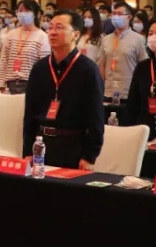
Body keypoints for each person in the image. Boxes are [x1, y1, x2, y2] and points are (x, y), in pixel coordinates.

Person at [22, 9, 105, 170]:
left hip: (73, 146)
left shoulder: (88, 70)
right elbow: (30, 114)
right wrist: (27, 150)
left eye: (59, 28)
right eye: (51, 27)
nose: (52, 32)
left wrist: (89, 156)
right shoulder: (40, 68)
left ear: (75, 34)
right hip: (42, 144)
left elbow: (96, 118)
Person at [100, 1, 148, 113]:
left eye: (120, 14)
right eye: (114, 14)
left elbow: (144, 66)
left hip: (128, 92)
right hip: (108, 91)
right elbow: (102, 64)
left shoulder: (138, 39)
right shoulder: (106, 39)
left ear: (129, 17)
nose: (116, 17)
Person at [0, 0, 49, 94]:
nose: (23, 13)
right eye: (20, 10)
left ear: (35, 14)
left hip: (32, 84)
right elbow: (4, 60)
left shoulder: (42, 36)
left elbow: (44, 66)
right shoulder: (11, 34)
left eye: (27, 10)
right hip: (11, 82)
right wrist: (1, 84)